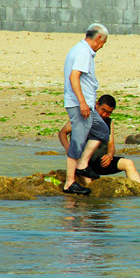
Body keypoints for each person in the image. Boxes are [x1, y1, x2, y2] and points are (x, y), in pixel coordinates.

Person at [61, 23, 110, 195]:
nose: (101, 47)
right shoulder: (83, 52)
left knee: (102, 131)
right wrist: (82, 102)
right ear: (98, 38)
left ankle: (82, 165)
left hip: (87, 105)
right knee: (78, 142)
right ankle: (69, 183)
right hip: (80, 105)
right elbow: (74, 77)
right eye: (102, 44)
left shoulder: (79, 49)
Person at [58, 94, 140, 184]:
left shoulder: (109, 122)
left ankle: (139, 191)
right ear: (97, 104)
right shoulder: (84, 116)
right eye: (103, 110)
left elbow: (111, 144)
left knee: (128, 163)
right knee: (90, 185)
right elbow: (62, 133)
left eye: (109, 112)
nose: (105, 115)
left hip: (100, 162)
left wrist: (109, 155)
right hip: (82, 162)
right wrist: (68, 149)